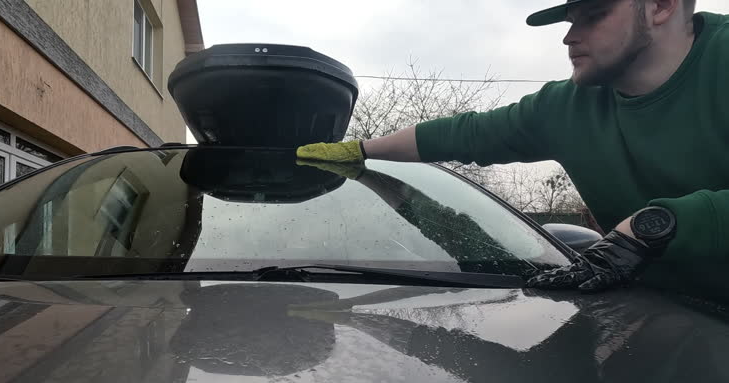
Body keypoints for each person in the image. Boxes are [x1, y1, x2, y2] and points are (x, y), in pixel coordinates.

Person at [296, 0, 728, 301]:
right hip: (656, 323)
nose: (569, 38)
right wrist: (359, 149)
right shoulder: (568, 106)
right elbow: (467, 135)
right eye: (569, 20)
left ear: (661, 6)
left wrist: (657, 225)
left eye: (593, 16)